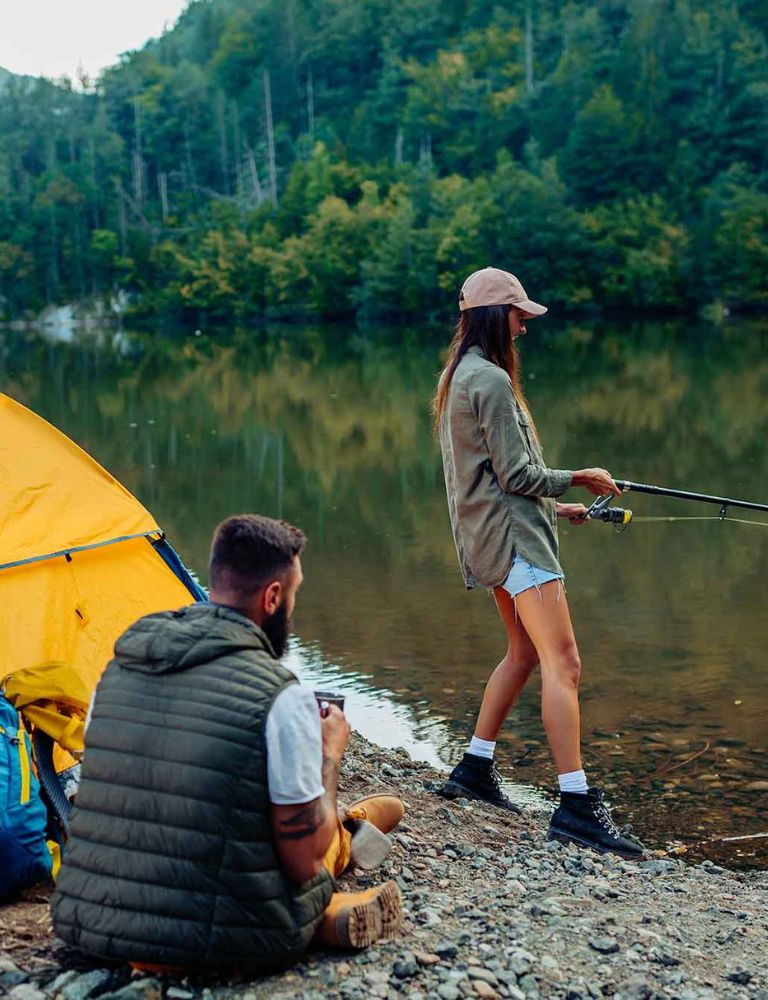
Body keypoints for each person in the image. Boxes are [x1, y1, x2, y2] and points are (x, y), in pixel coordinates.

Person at [52, 514, 405, 972]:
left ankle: (349, 829)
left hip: (91, 923)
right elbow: (303, 862)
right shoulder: (281, 695)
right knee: (313, 851)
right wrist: (328, 754)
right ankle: (343, 845)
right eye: (293, 594)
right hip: (214, 941)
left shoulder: (118, 668)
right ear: (273, 597)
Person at [433, 267, 644, 859]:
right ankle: (576, 805)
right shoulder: (492, 382)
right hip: (515, 543)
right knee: (565, 662)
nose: (525, 325)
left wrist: (559, 503)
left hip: (491, 538)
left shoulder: (461, 376)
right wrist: (579, 475)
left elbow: (493, 478)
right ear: (496, 316)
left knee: (525, 653)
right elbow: (516, 475)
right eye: (520, 314)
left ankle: (474, 769)